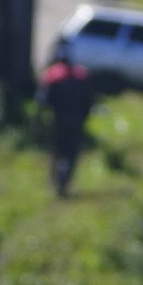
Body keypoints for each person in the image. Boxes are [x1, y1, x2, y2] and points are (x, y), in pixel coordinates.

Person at [37, 49, 95, 197]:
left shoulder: (53, 76)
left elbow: (42, 100)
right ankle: (65, 180)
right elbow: (90, 100)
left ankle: (56, 179)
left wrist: (40, 119)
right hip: (77, 120)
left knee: (58, 150)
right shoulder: (82, 76)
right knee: (71, 152)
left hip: (59, 120)